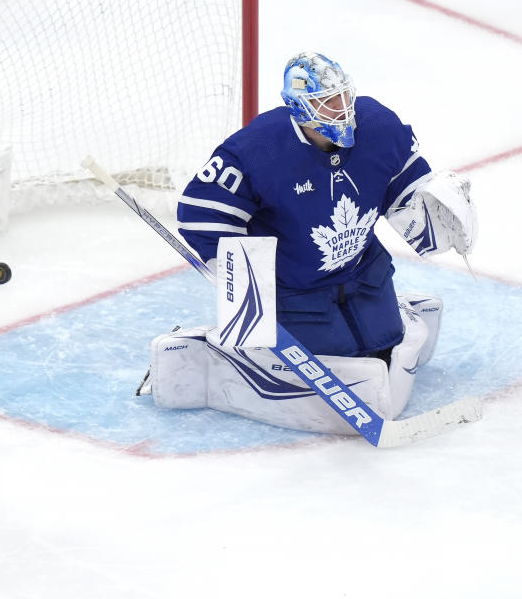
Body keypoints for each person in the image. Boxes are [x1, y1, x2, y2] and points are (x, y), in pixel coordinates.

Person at [142, 51, 478, 433]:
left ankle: (399, 313)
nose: (341, 109)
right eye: (326, 102)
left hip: (363, 272)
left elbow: (406, 185)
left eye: (343, 96)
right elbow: (201, 212)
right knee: (349, 358)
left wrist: (433, 210)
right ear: (300, 108)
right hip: (296, 292)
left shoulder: (378, 125)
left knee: (384, 343)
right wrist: (240, 277)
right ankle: (213, 351)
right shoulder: (256, 150)